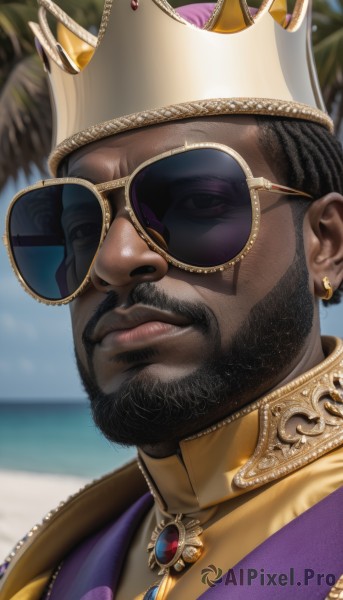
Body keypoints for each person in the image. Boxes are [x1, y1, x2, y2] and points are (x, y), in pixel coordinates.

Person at [1, 0, 343, 598]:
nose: (114, 260)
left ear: (326, 244)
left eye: (197, 203)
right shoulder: (49, 570)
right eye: (82, 227)